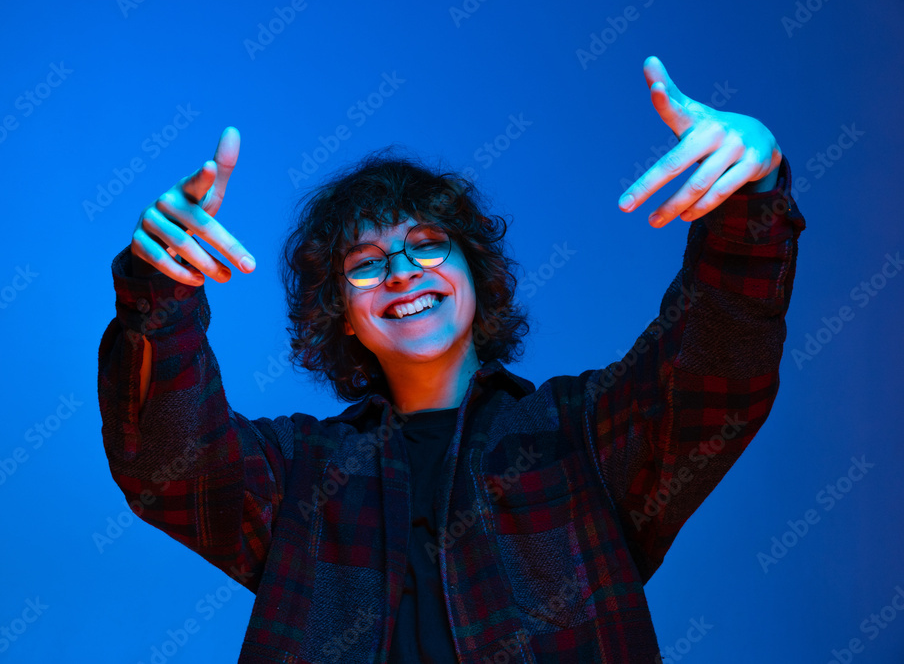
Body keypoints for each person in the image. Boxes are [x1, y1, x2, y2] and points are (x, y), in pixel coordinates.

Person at [97, 57, 806, 663]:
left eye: (428, 243)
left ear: (475, 273)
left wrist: (753, 194)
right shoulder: (298, 474)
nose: (402, 270)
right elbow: (170, 465)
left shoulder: (578, 434)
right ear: (342, 315)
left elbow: (718, 369)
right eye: (366, 263)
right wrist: (159, 285)